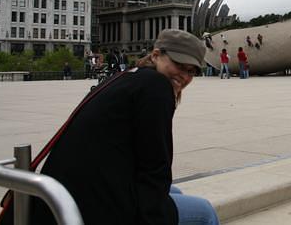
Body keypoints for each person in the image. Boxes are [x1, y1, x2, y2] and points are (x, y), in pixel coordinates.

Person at [28, 29, 219, 224]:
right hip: (90, 208)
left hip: (65, 199)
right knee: (204, 212)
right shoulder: (156, 87)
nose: (185, 76)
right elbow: (155, 165)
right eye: (179, 65)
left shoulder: (128, 77)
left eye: (191, 71)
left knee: (174, 191)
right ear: (155, 55)